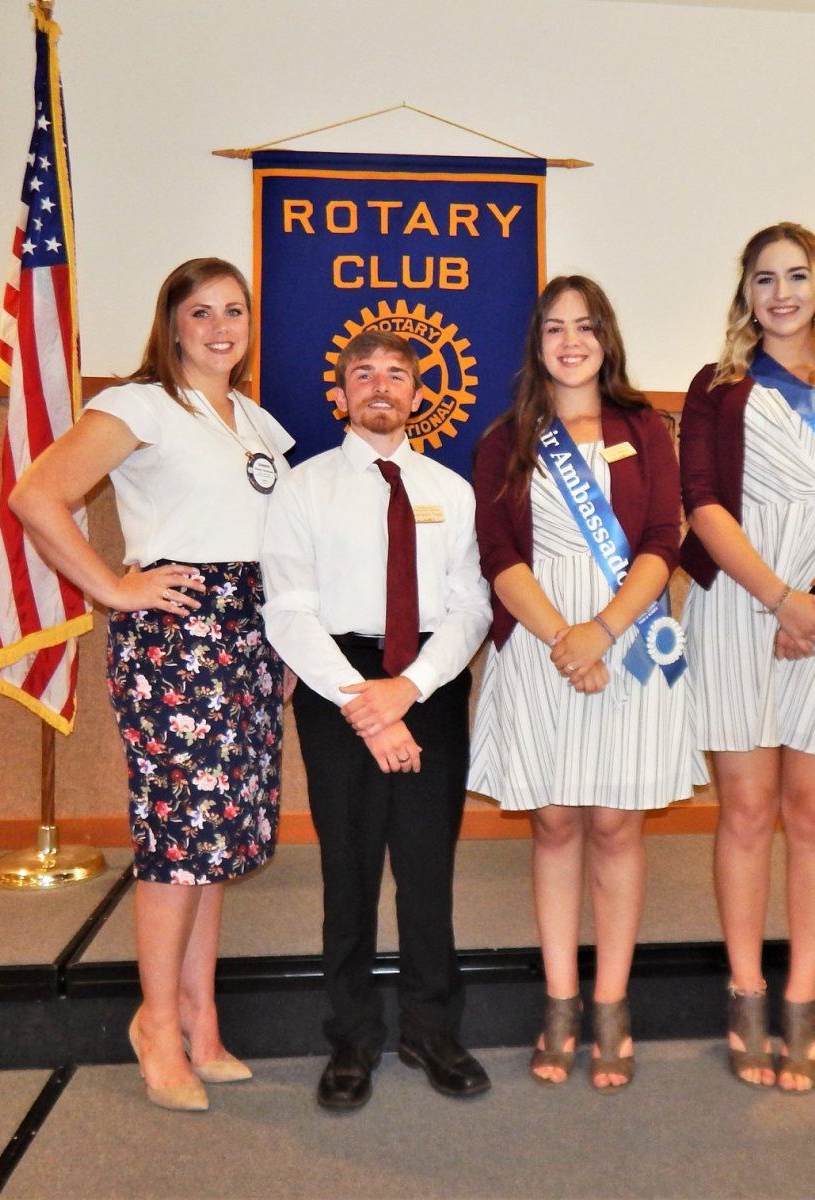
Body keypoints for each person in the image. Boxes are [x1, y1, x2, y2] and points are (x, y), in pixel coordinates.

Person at [10, 258, 292, 1112]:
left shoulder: (254, 420)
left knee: (216, 844)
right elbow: (36, 495)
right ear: (171, 323)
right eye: (199, 311)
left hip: (248, 636)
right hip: (178, 641)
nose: (218, 327)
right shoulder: (138, 405)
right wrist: (115, 587)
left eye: (233, 311)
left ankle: (203, 1020)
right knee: (176, 845)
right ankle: (156, 1025)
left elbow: (273, 542)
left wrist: (279, 649)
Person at [679, 223, 815, 1093]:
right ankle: (745, 992)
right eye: (764, 279)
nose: (781, 293)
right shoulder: (716, 386)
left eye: (796, 276)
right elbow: (700, 503)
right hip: (739, 608)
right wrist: (780, 599)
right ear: (745, 293)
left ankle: (805, 996)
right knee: (744, 810)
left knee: (813, 812)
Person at [470, 276, 704, 1091]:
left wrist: (600, 630)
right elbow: (498, 555)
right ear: (537, 344)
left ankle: (612, 1004)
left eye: (586, 326)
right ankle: (561, 1001)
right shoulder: (507, 438)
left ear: (607, 338)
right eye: (555, 329)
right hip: (538, 643)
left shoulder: (648, 429)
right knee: (556, 822)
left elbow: (661, 537)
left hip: (630, 640)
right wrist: (561, 637)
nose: (571, 342)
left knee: (615, 826)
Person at [260, 330, 492, 1112]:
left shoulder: (450, 491)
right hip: (337, 688)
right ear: (343, 395)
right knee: (348, 871)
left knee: (428, 870)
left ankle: (431, 1028)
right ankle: (352, 1035)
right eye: (364, 374)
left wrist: (412, 688)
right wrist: (365, 701)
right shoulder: (302, 489)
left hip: (428, 685)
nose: (381, 386)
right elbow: (288, 611)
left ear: (420, 396)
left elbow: (472, 607)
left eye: (398, 374)